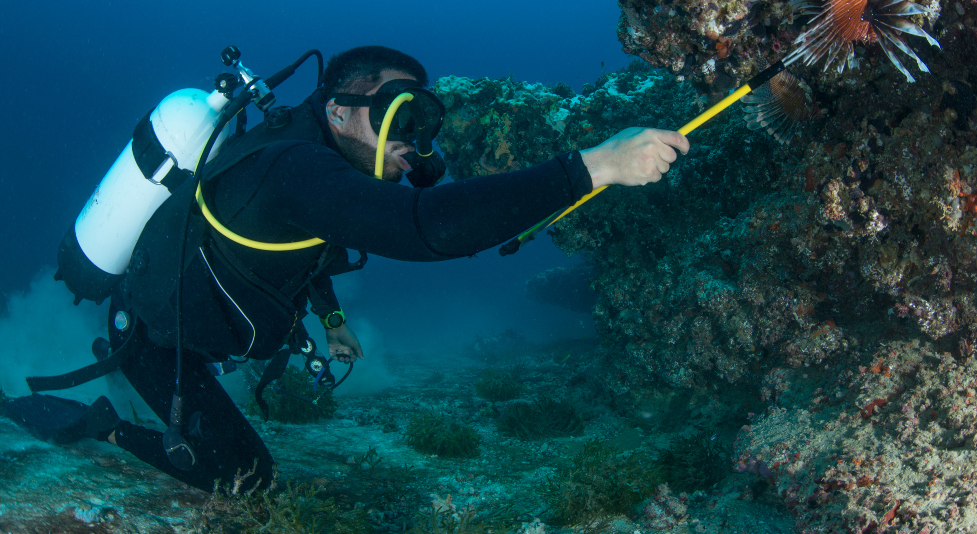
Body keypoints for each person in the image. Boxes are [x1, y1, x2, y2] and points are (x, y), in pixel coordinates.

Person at [2, 46, 688, 491]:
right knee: (244, 478)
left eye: (425, 122)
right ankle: (103, 426)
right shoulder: (294, 167)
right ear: (337, 109)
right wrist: (596, 166)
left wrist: (330, 320)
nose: (416, 144)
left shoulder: (309, 171)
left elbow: (309, 251)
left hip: (204, 327)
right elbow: (427, 228)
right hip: (157, 337)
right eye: (401, 115)